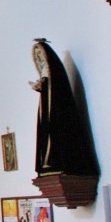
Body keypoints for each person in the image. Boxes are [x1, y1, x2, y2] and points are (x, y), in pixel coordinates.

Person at [29, 38, 99, 177]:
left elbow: (58, 93)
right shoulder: (45, 75)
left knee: (57, 133)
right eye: (37, 56)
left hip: (57, 114)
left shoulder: (56, 75)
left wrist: (44, 86)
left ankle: (60, 162)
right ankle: (48, 164)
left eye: (40, 55)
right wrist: (40, 87)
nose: (39, 58)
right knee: (47, 134)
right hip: (47, 112)